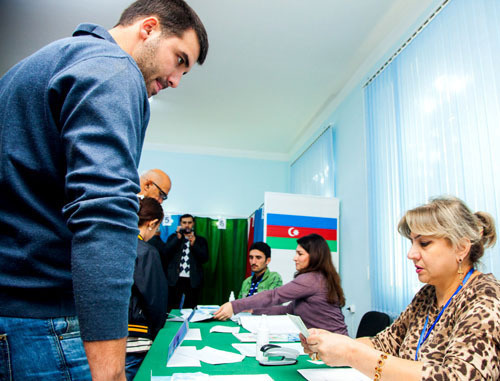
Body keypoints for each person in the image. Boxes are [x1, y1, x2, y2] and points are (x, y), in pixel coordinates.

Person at [0, 0, 208, 379]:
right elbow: (103, 217)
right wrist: (111, 372)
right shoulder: (114, 69)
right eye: (179, 60)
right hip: (43, 324)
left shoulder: (32, 69)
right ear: (148, 28)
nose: (177, 80)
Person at [302, 196, 500, 380]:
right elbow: (384, 344)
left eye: (424, 243)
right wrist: (333, 342)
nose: (411, 254)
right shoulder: (427, 294)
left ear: (461, 248)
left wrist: (350, 353)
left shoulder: (486, 297)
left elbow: (457, 376)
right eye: (412, 243)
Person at [214, 234, 348, 334]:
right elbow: (287, 310)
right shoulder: (318, 278)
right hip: (327, 342)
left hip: (336, 343)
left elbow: (274, 296)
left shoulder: (311, 279)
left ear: (315, 256)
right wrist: (253, 310)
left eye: (299, 254)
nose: (294, 258)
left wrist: (234, 305)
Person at [126, 197, 168, 381]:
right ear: (151, 223)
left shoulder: (114, 244)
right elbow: (154, 299)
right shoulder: (146, 251)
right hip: (136, 336)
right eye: (157, 227)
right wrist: (159, 328)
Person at [165, 214, 209, 309]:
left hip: (192, 280)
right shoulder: (174, 238)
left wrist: (194, 244)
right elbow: (166, 253)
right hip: (175, 279)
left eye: (189, 222)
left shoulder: (200, 240)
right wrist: (177, 238)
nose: (187, 225)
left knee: (190, 307)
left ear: (193, 224)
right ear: (180, 223)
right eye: (184, 223)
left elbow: (205, 258)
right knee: (172, 307)